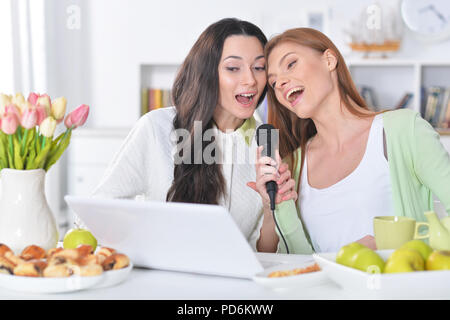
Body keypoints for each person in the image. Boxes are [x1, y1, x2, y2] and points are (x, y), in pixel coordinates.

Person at [91, 18, 297, 252]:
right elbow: (101, 207)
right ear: (207, 72)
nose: (250, 80)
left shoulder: (266, 142)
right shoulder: (157, 128)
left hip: (232, 282)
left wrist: (271, 210)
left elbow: (262, 253)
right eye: (233, 68)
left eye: (259, 68)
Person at [258, 27, 450, 253]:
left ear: (329, 60)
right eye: (273, 82)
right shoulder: (293, 165)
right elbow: (295, 262)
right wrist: (276, 209)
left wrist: (391, 245)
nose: (280, 83)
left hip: (398, 287)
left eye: (291, 64)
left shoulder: (403, 130)